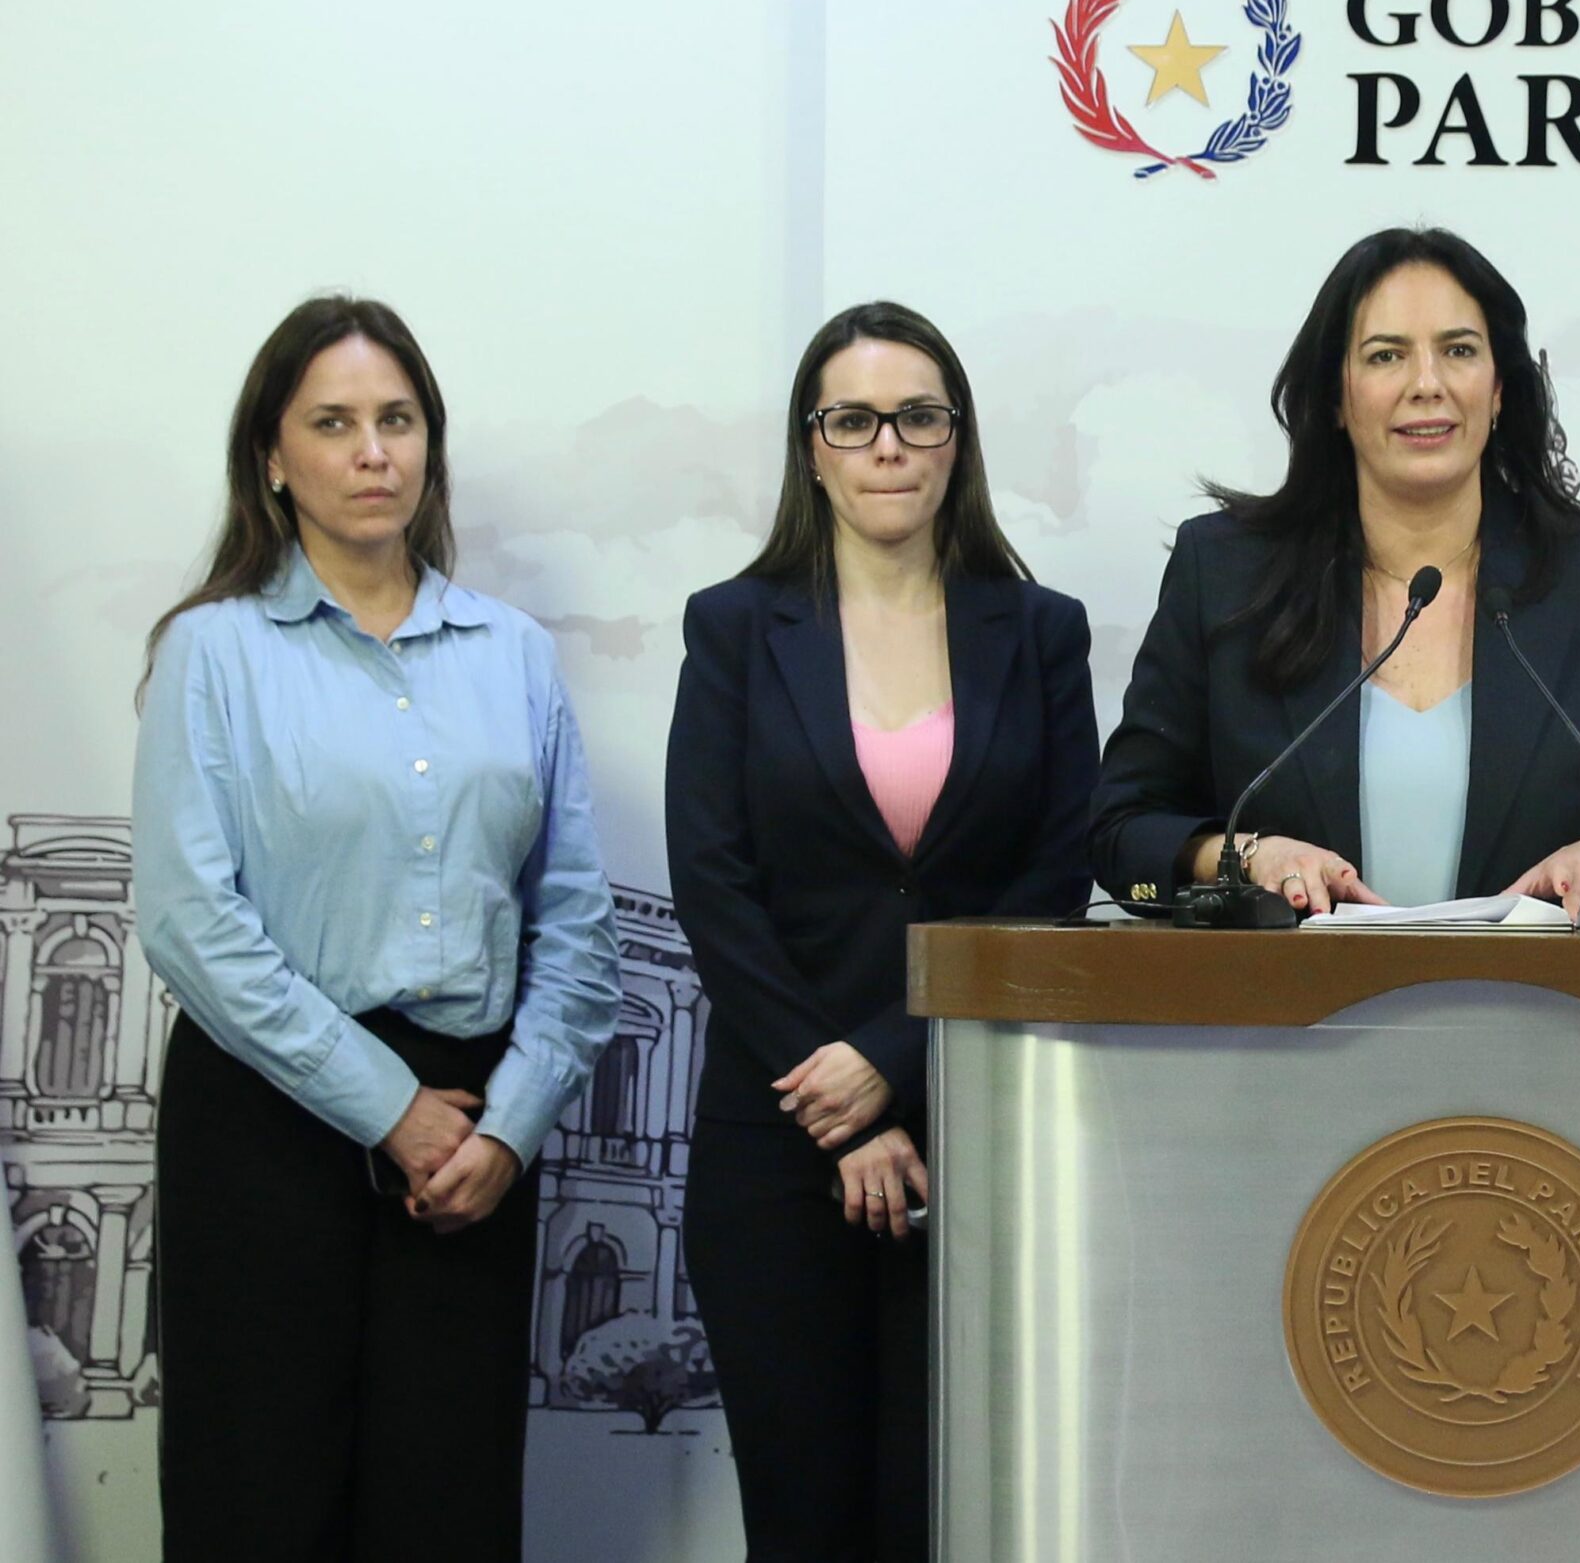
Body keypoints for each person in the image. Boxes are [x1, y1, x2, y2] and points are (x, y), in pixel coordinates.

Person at [132, 295, 622, 1562]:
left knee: (445, 1505)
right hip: (265, 1124)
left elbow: (574, 925)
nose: (371, 452)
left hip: (470, 1151)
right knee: (260, 1497)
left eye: (396, 420)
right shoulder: (213, 653)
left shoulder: (513, 655)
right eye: (334, 422)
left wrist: (507, 1127)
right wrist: (387, 1108)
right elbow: (192, 922)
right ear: (271, 459)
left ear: (428, 447)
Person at [668, 301, 1098, 1560]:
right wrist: (835, 1089)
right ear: (813, 449)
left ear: (956, 440)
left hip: (976, 1133)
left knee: (952, 1518)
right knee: (802, 1522)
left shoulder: (1041, 632)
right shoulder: (737, 629)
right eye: (853, 421)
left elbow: (1050, 881)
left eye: (918, 417)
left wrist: (893, 1063)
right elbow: (714, 882)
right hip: (776, 1139)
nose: (888, 446)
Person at [1092, 226, 1580, 918]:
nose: (1427, 384)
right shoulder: (1225, 573)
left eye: (1460, 351)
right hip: (1277, 1018)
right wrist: (1244, 857)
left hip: (1541, 1014)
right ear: (1336, 396)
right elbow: (1124, 834)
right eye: (1386, 356)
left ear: (1500, 387)